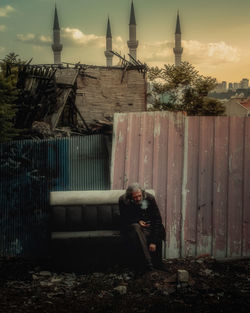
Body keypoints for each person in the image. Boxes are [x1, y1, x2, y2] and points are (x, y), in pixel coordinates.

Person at [119, 183, 166, 272]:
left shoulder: (149, 198)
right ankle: (148, 262)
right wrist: (137, 221)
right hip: (132, 227)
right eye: (135, 197)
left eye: (139, 196)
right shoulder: (123, 200)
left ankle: (154, 264)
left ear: (142, 193)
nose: (138, 199)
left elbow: (157, 219)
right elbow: (124, 218)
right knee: (136, 228)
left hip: (148, 226)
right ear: (130, 196)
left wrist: (153, 242)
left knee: (159, 229)